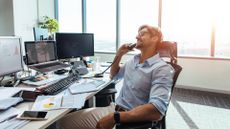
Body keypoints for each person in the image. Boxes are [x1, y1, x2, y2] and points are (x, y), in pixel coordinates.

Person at [57, 25, 174, 129]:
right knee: (62, 123)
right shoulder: (134, 60)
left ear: (155, 38)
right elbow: (114, 75)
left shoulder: (162, 69)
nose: (137, 37)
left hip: (131, 120)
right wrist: (119, 54)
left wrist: (115, 117)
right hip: (115, 109)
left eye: (142, 34)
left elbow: (156, 111)